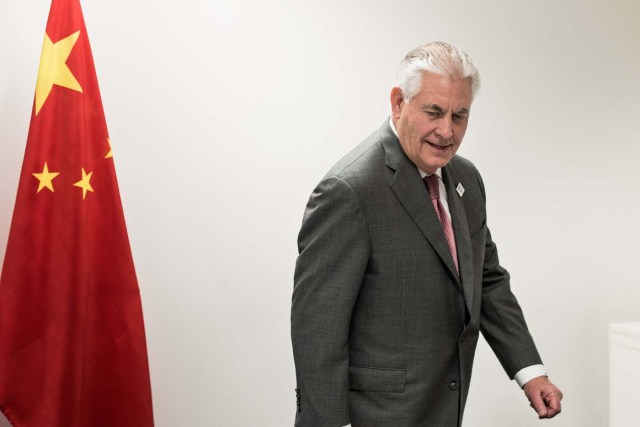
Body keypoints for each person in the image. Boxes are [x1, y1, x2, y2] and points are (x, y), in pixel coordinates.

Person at [290, 41, 563, 427]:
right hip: (376, 417)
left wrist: (529, 369)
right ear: (399, 103)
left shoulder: (466, 178)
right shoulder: (349, 190)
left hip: (444, 408)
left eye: (460, 115)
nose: (446, 131)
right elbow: (317, 331)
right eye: (433, 112)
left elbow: (485, 279)